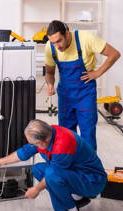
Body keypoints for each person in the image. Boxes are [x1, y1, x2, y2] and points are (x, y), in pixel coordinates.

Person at [0, 119, 107, 211]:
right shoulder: (48, 133)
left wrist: (36, 189)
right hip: (76, 174)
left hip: (92, 181)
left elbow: (54, 173)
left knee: (51, 175)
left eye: (34, 144)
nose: (32, 146)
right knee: (38, 169)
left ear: (43, 142)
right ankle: (78, 197)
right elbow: (23, 153)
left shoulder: (62, 144)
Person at [45, 20, 121, 150]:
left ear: (67, 34)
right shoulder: (50, 47)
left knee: (87, 132)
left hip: (85, 93)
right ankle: (70, 167)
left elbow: (114, 54)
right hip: (65, 95)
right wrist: (50, 84)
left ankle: (89, 169)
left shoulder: (85, 39)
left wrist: (97, 73)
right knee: (66, 133)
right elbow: (50, 72)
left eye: (59, 41)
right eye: (53, 42)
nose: (57, 46)